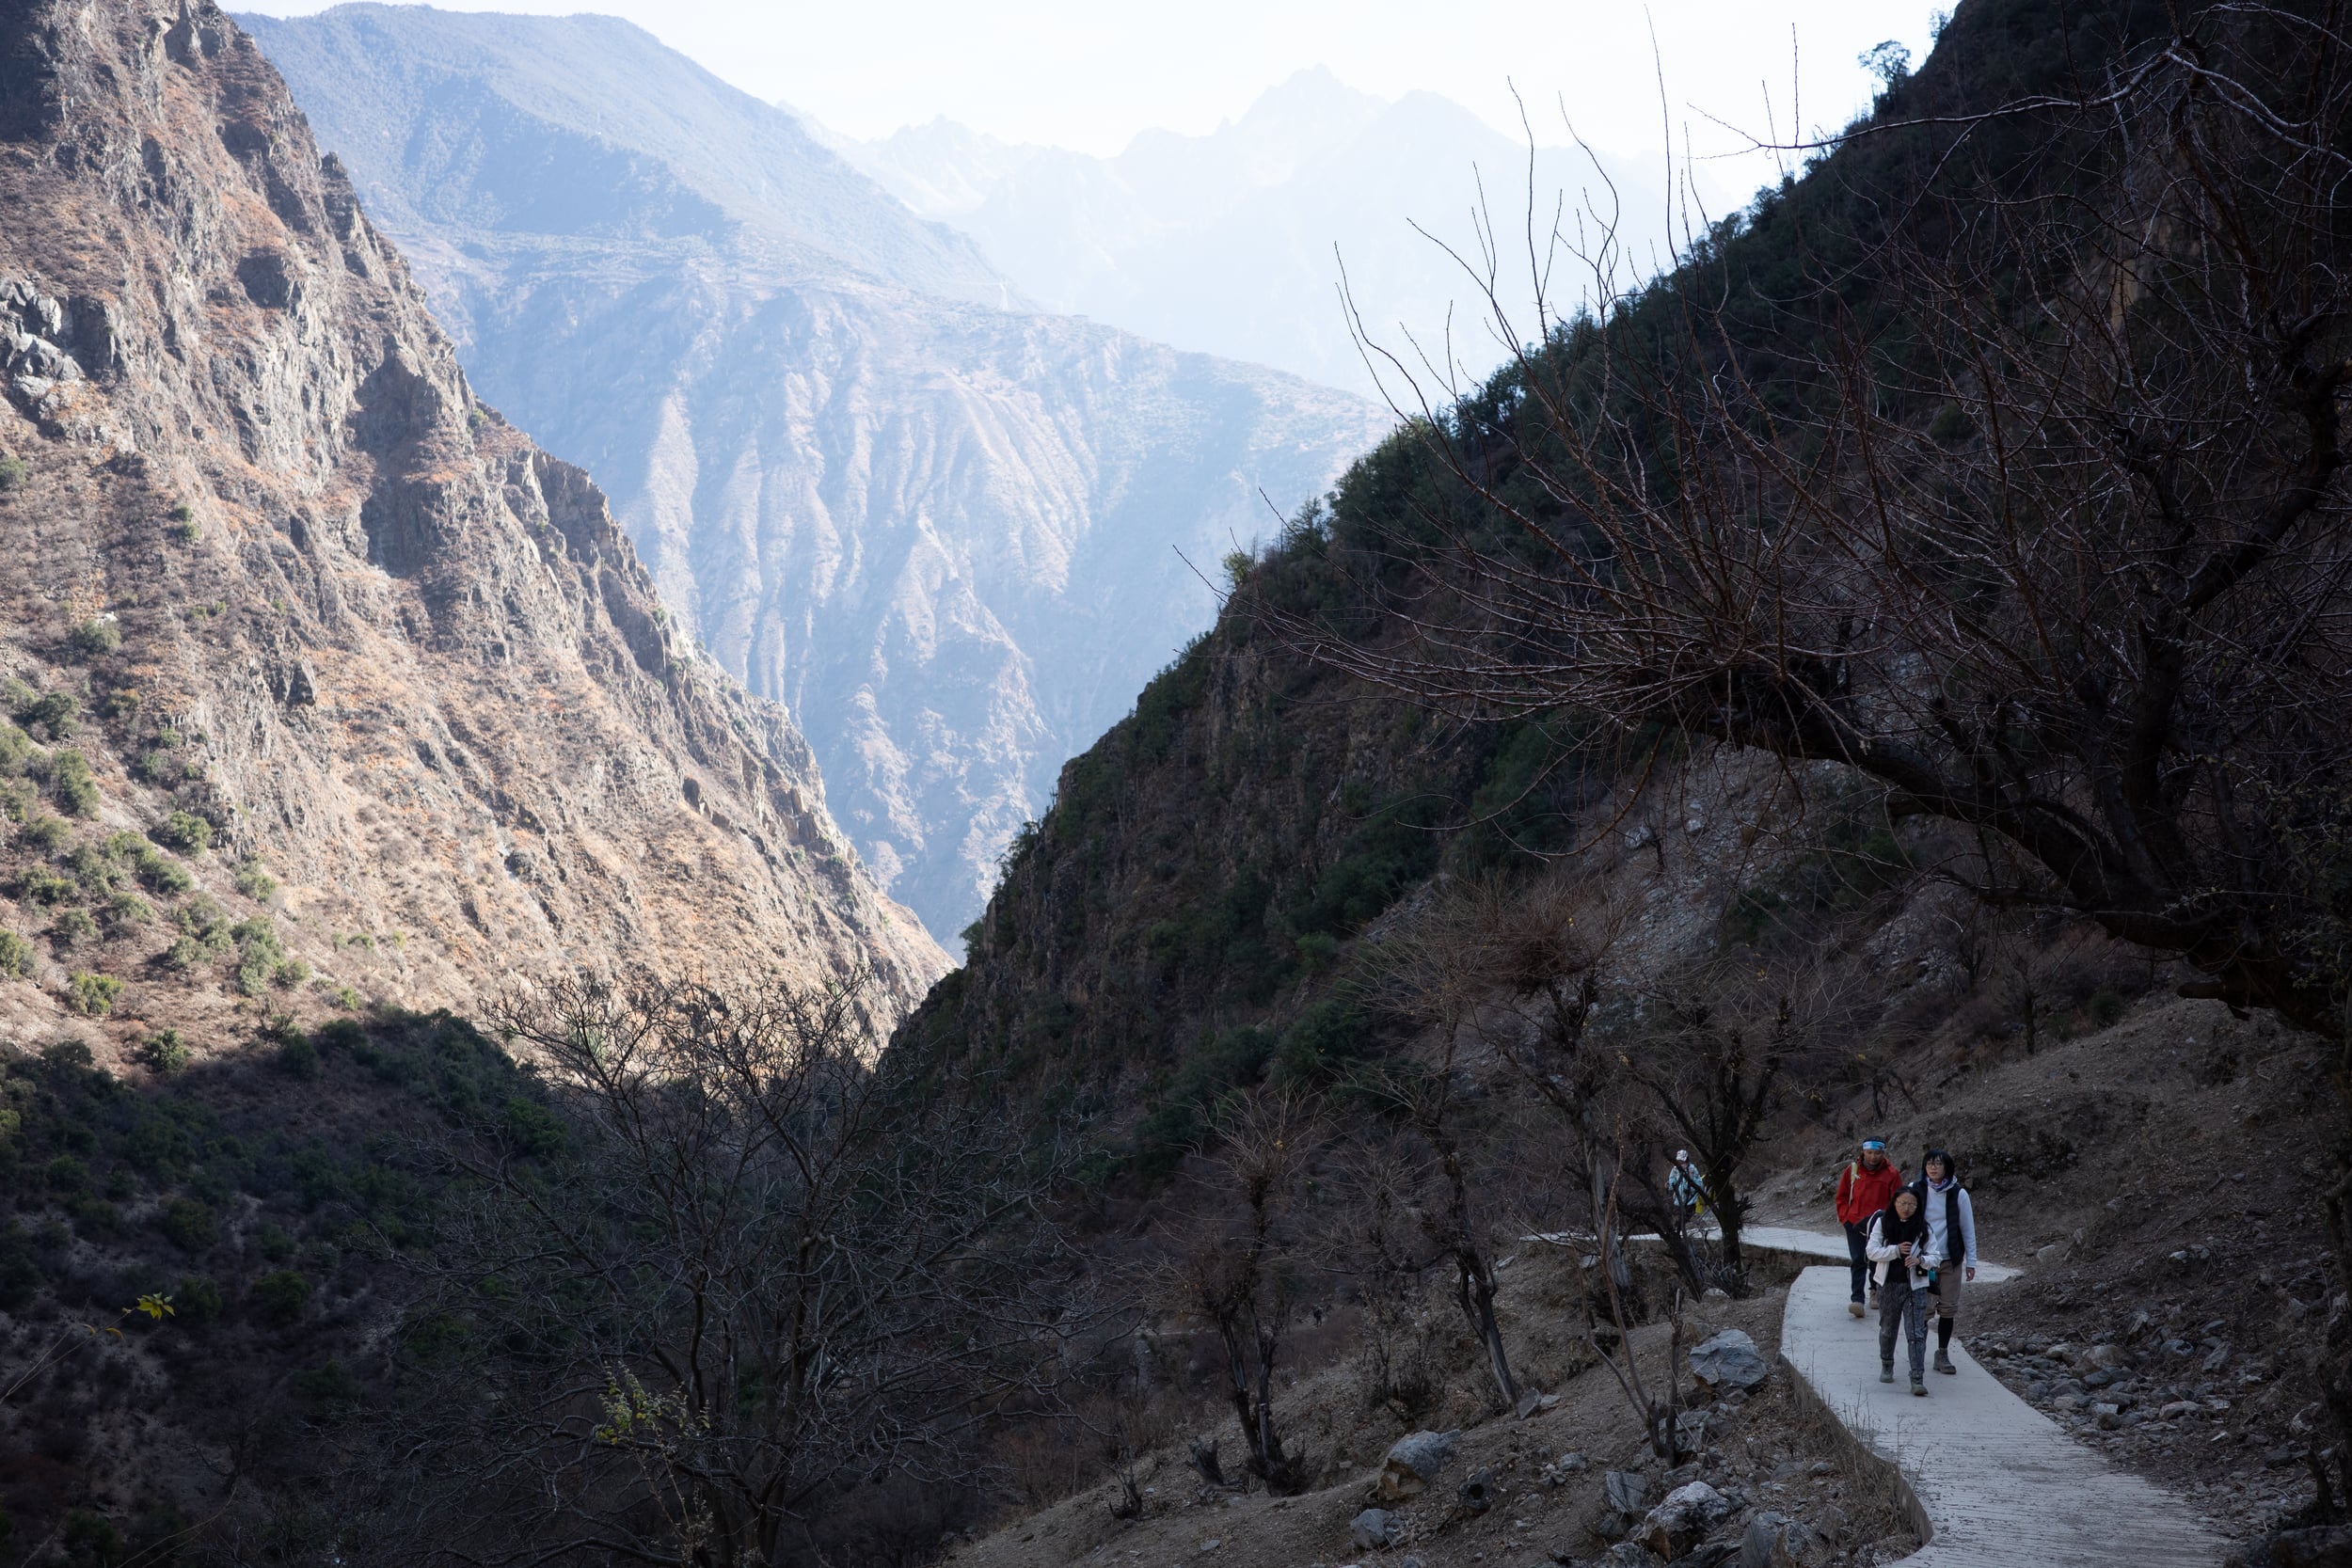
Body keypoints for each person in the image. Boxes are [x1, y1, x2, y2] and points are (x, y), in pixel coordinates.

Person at [1911, 1148, 1979, 1374]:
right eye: (1929, 1163)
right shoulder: (1915, 1190)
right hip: (1924, 1261)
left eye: (1938, 1164)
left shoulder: (1958, 1194)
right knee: (1924, 1309)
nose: (1933, 1167)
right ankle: (1917, 1352)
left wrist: (1972, 1262)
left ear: (1947, 1168)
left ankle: (1942, 1353)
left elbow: (1967, 1229)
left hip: (1951, 1260)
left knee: (1948, 1308)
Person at [1867, 1187, 1934, 1395]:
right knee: (1888, 1329)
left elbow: (1936, 1255)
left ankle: (1917, 1378)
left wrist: (1921, 1260)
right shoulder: (1883, 1223)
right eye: (1902, 1203)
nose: (1906, 1208)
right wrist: (1895, 1251)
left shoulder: (1924, 1228)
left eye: (1912, 1204)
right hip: (1888, 1284)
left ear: (1918, 1206)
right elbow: (1871, 1251)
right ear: (1894, 1203)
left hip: (1916, 1286)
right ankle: (1887, 1363)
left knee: (1915, 1333)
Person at [1833, 1139, 1904, 1320]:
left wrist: (1892, 1222)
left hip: (1879, 1224)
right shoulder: (1852, 1171)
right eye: (1870, 1153)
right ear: (1863, 1152)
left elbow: (1898, 1200)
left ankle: (1875, 1291)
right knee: (1858, 1260)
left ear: (1883, 1153)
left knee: (1876, 1260)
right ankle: (1857, 1299)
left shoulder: (1892, 1174)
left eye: (1877, 1153)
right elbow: (1841, 1196)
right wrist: (1845, 1217)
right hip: (1855, 1223)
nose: (1873, 1157)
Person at [1668, 1150, 1706, 1221]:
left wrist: (1690, 1188)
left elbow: (1699, 1183)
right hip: (1678, 1201)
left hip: (1690, 1200)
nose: (1681, 1164)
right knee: (1678, 1221)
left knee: (1687, 1220)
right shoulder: (1675, 1170)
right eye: (1679, 1162)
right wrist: (1671, 1184)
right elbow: (1671, 1179)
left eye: (1682, 1162)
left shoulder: (1692, 1169)